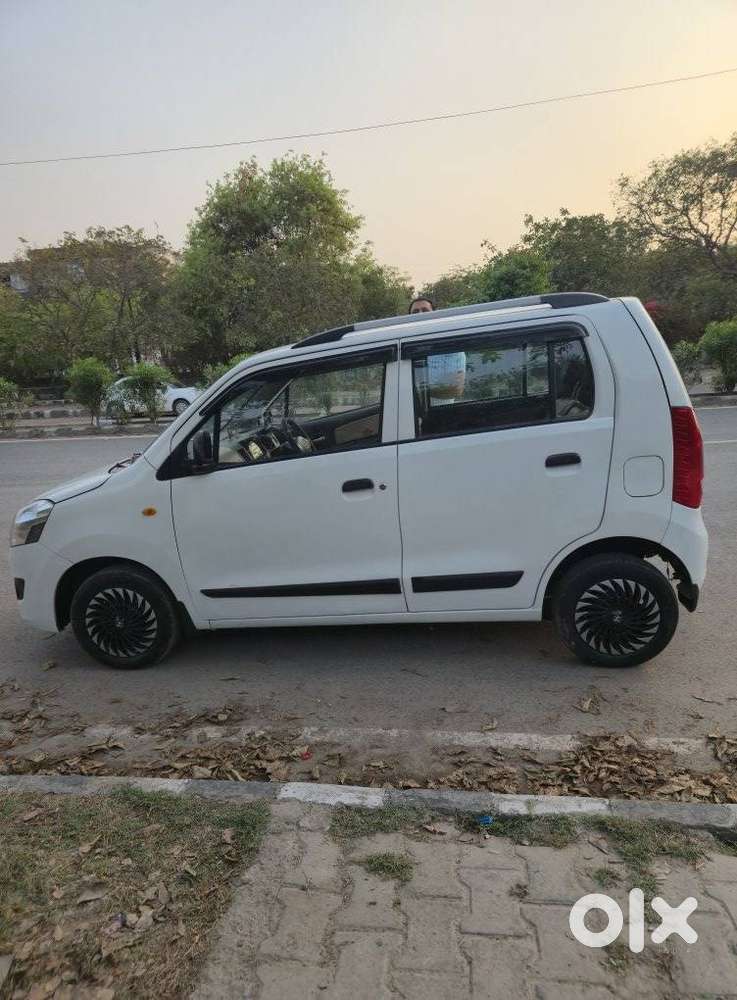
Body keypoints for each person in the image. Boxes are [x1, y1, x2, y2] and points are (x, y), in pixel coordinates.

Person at [407, 296, 466, 402]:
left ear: (434, 314)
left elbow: (455, 390)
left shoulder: (449, 344)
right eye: (415, 312)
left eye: (425, 310)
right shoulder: (403, 344)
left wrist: (416, 391)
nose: (420, 314)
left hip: (440, 410)